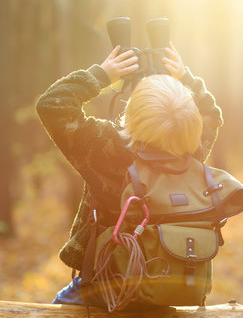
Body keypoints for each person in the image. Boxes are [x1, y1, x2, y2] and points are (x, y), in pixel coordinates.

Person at [35, 42, 223, 306]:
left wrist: (102, 74)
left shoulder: (106, 148)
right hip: (163, 281)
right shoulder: (191, 153)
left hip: (103, 285)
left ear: (132, 112)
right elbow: (211, 114)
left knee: (61, 305)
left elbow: (53, 105)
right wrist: (184, 77)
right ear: (191, 121)